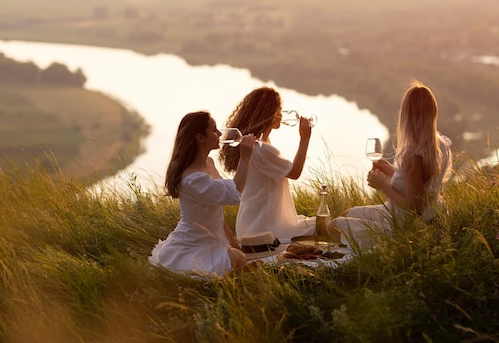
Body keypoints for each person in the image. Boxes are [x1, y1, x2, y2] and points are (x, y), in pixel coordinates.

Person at [328, 80, 453, 247]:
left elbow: (415, 208)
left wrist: (382, 186)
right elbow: (419, 185)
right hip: (428, 216)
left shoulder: (412, 154)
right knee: (346, 213)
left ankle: (368, 252)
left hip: (402, 224)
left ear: (406, 115)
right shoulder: (440, 145)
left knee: (334, 227)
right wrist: (393, 172)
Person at [149, 111, 256, 276]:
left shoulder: (209, 163)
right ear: (200, 138)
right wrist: (245, 158)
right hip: (193, 246)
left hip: (211, 242)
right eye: (214, 130)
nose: (220, 134)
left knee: (240, 257)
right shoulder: (193, 179)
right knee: (237, 260)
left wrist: (234, 246)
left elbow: (218, 211)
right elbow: (233, 194)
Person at [219, 87, 316, 242]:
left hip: (251, 225)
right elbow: (295, 172)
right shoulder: (260, 149)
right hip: (268, 230)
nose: (281, 116)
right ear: (268, 114)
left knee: (321, 222)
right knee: (329, 225)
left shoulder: (250, 144)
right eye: (278, 111)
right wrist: (305, 139)